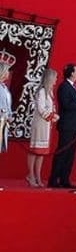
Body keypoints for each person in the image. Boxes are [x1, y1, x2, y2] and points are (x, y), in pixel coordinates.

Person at [48, 63, 76, 188]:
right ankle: (54, 179)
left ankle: (64, 179)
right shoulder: (64, 87)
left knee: (70, 154)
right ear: (71, 73)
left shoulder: (73, 87)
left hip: (74, 125)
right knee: (62, 152)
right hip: (67, 125)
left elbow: (74, 103)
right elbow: (66, 105)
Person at [27, 67, 59, 187]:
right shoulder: (41, 91)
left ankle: (38, 176)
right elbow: (41, 108)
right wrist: (51, 115)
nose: (56, 80)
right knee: (34, 150)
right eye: (55, 77)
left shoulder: (50, 92)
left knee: (41, 152)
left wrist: (54, 115)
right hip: (40, 123)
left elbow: (50, 107)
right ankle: (31, 175)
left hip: (46, 125)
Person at [0, 54, 14, 190]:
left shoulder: (4, 88)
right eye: (7, 70)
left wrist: (10, 115)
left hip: (4, 122)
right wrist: (4, 114)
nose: (8, 73)